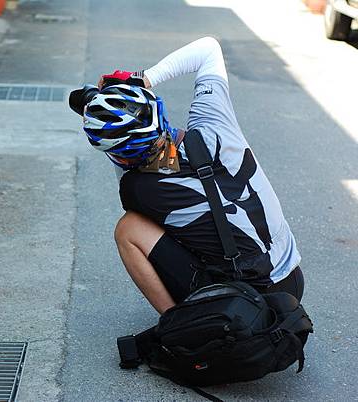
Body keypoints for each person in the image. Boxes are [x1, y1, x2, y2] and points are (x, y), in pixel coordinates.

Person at [77, 37, 304, 314]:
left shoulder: (139, 189)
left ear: (118, 154)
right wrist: (142, 79)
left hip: (239, 305)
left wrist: (103, 125)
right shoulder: (214, 123)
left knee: (130, 229)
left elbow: (129, 162)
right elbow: (209, 48)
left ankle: (177, 321)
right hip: (290, 287)